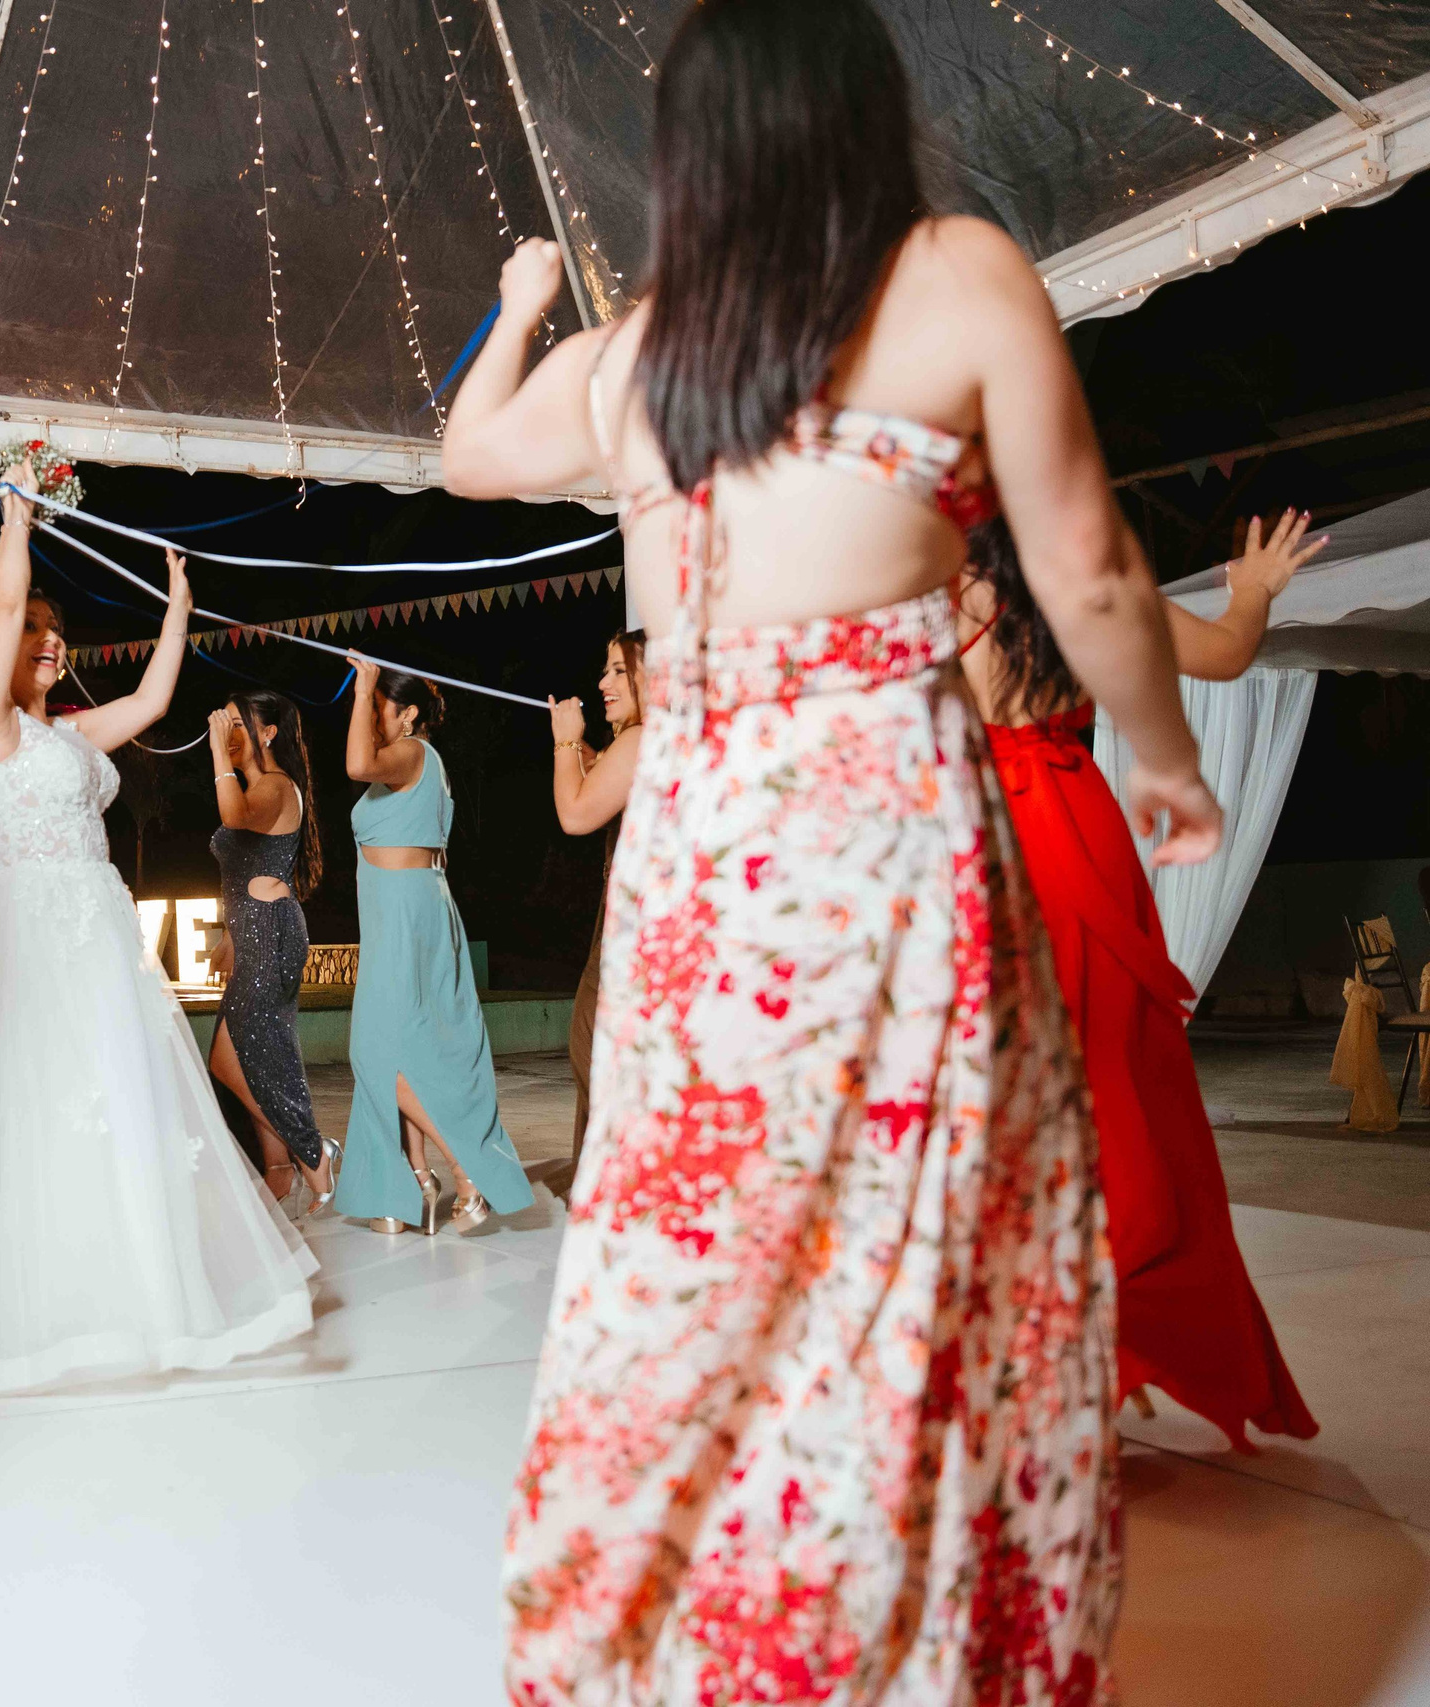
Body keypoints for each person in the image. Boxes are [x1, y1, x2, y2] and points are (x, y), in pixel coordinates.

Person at [443, 0, 1224, 1694]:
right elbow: (1089, 576)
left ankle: (675, 1624)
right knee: (909, 1226)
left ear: (688, 159)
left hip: (703, 858)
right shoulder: (957, 277)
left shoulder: (640, 355)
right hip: (888, 845)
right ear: (868, 116)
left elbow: (464, 453)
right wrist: (1162, 764)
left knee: (695, 1234)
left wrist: (511, 312)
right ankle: (904, 1631)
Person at [0, 465, 315, 1397]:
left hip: (101, 936)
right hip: (34, 935)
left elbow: (156, 704)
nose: (48, 641)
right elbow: (5, 605)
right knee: (49, 1109)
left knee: (125, 1102)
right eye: (33, 631)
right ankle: (56, 1306)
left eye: (57, 633)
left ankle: (143, 1295)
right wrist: (15, 523)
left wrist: (178, 606)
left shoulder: (74, 732)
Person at [963, 515, 1321, 1448]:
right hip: (1076, 839)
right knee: (1117, 1093)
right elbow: (1228, 654)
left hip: (971, 844)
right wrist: (1253, 591)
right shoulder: (1092, 592)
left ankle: (1042, 1346)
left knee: (995, 1107)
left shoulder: (924, 605)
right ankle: (1106, 1326)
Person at [336, 658, 534, 1236]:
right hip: (402, 909)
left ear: (408, 715)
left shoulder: (412, 752)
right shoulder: (409, 763)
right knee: (404, 1046)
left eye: (378, 710)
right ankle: (414, 1185)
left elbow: (354, 762)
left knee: (375, 1052)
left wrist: (365, 685)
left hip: (405, 913)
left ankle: (466, 1172)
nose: (371, 719)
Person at [205, 691, 338, 1210]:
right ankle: (281, 1169)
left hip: (272, 934)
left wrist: (218, 751)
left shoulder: (277, 788)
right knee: (240, 1059)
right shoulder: (259, 786)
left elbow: (234, 818)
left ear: (268, 733)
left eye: (239, 724)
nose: (230, 732)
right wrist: (230, 935)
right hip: (253, 933)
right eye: (226, 724)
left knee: (258, 1059)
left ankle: (313, 1155)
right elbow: (242, 872)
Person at [548, 629, 645, 1163]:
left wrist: (565, 740)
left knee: (596, 1052)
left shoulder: (641, 738)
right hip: (622, 922)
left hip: (632, 930)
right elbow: (603, 774)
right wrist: (584, 750)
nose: (602, 682)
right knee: (596, 1049)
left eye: (618, 671)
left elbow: (577, 815)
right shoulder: (636, 740)